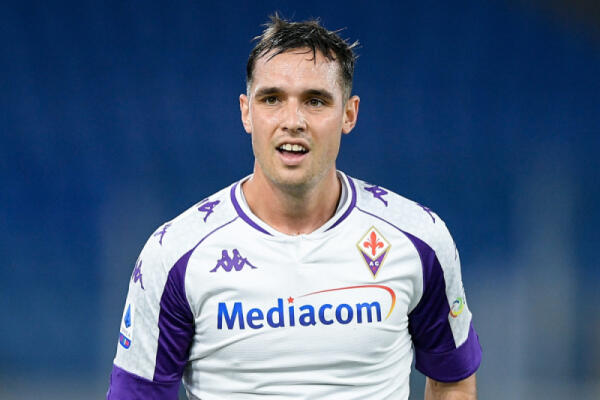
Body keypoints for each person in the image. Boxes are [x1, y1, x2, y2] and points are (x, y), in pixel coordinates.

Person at [107, 14, 481, 400]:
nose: (293, 121)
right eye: (272, 99)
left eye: (315, 101)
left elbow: (452, 381)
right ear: (246, 112)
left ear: (349, 114)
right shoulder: (175, 254)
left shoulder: (418, 239)